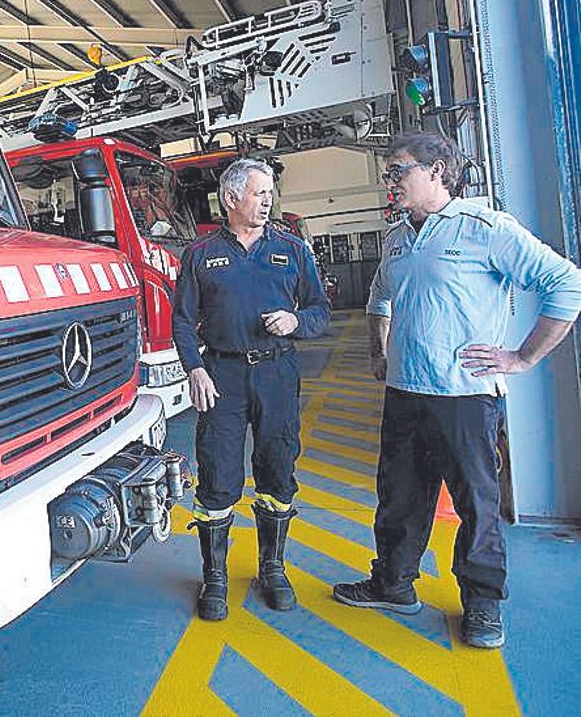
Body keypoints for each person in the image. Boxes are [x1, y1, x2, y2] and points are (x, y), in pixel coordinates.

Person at [332, 132, 581, 649]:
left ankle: (483, 604)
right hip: (404, 393)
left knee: (476, 504)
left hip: (464, 397)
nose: (389, 180)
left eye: (398, 170)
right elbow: (381, 294)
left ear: (438, 171)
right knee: (398, 497)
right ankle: (393, 584)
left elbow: (567, 284)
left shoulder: (485, 229)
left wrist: (522, 357)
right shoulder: (398, 238)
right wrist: (379, 352)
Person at [174, 158, 331, 621]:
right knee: (218, 475)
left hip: (277, 375)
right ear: (231, 199)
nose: (268, 201)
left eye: (269, 194)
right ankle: (215, 576)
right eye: (259, 193)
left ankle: (272, 568)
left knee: (278, 469)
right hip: (221, 378)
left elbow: (320, 309)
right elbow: (182, 322)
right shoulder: (201, 254)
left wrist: (297, 321)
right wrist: (194, 369)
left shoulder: (292, 249)